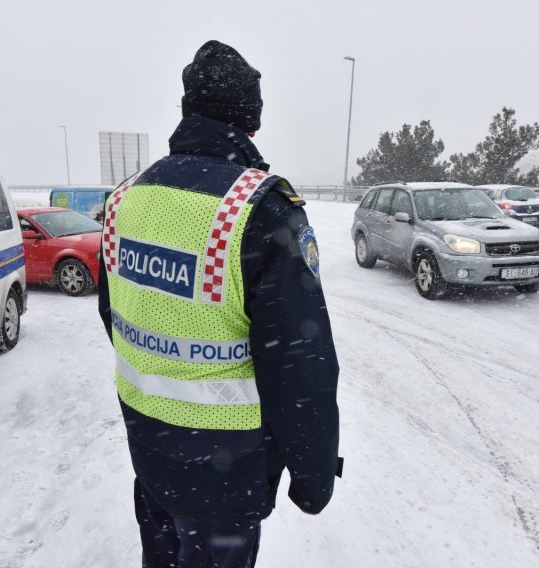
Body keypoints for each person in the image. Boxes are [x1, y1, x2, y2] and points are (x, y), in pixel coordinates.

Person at [98, 40, 341, 567]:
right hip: (225, 473)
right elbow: (300, 369)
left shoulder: (125, 197)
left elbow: (112, 313)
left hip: (147, 445)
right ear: (250, 122)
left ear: (188, 110)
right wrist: (313, 474)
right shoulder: (259, 210)